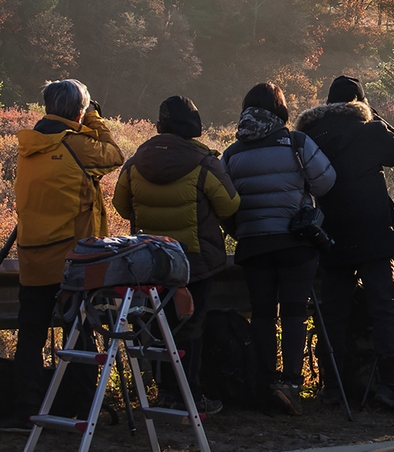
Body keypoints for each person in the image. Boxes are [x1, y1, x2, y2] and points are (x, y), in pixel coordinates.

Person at [2, 79, 124, 432]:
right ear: (79, 110)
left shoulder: (29, 146)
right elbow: (114, 155)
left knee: (30, 335)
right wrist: (96, 119)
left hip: (32, 257)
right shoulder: (77, 145)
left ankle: (26, 410)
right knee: (80, 334)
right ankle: (84, 408)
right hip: (73, 258)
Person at [113, 95, 240, 414]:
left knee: (160, 327)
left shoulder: (135, 163)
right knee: (191, 328)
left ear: (159, 125)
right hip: (194, 261)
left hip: (153, 261)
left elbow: (121, 205)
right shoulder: (205, 163)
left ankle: (166, 392)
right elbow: (229, 205)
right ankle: (190, 395)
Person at [294, 75, 394, 411]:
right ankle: (391, 385)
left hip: (331, 232)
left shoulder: (308, 135)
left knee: (333, 312)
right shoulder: (370, 130)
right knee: (384, 308)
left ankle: (333, 387)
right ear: (360, 103)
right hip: (374, 229)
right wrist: (373, 114)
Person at [222, 82, 336, 416]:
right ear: (280, 109)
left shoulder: (232, 153)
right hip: (295, 244)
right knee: (293, 314)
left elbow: (225, 204)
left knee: (262, 314)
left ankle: (264, 381)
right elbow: (327, 182)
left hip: (254, 245)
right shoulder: (297, 143)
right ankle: (291, 385)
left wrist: (242, 230)